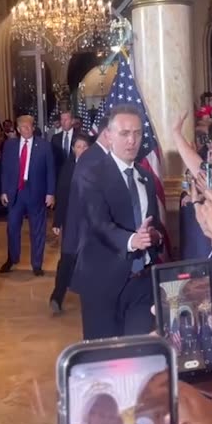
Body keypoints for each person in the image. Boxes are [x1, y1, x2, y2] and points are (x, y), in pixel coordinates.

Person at [72, 104, 166, 339]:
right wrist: (133, 240)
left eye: (137, 133)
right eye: (124, 134)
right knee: (105, 358)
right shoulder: (91, 173)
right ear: (109, 136)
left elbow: (151, 223)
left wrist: (156, 236)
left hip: (142, 281)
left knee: (141, 353)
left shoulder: (144, 176)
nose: (132, 140)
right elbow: (98, 223)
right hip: (103, 282)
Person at [0, 115, 56, 276]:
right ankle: (12, 258)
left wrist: (50, 193)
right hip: (15, 192)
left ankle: (37, 264)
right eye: (23, 127)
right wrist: (3, 190)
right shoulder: (9, 146)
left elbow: (51, 171)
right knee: (12, 228)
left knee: (37, 230)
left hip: (36, 192)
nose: (26, 129)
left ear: (33, 127)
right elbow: (4, 170)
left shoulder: (44, 146)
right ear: (17, 129)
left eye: (29, 126)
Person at [50, 134, 91, 315]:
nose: (81, 150)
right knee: (67, 259)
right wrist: (57, 221)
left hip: (90, 223)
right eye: (78, 146)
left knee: (90, 260)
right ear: (73, 149)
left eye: (84, 147)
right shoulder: (67, 168)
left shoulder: (95, 167)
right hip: (70, 221)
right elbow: (61, 195)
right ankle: (56, 297)